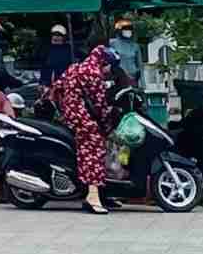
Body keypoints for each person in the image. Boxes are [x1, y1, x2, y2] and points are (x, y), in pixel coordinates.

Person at [51, 43, 119, 215]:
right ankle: (93, 195)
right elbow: (100, 105)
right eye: (110, 67)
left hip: (70, 115)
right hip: (82, 118)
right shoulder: (94, 74)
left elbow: (57, 86)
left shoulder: (76, 67)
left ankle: (101, 192)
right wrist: (107, 124)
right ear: (104, 62)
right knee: (94, 148)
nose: (109, 71)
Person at [109, 19, 144, 86]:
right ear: (119, 30)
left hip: (132, 79)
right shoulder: (112, 43)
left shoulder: (135, 46)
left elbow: (140, 65)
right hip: (118, 79)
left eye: (130, 29)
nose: (128, 31)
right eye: (125, 29)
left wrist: (142, 84)